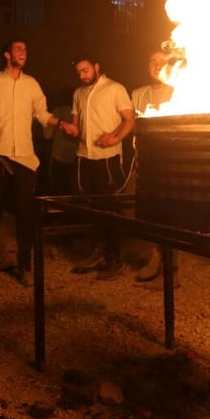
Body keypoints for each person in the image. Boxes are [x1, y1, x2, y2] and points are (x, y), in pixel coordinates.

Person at [0, 40, 68, 285]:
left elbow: (42, 113)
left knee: (26, 213)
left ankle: (24, 265)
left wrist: (61, 123)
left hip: (24, 157)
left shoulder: (32, 84)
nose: (23, 53)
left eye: (25, 49)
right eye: (18, 49)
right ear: (6, 55)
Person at [63, 54, 136, 280]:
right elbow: (76, 125)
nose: (82, 75)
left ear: (96, 67)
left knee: (111, 207)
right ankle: (97, 252)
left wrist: (115, 139)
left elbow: (129, 120)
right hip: (85, 156)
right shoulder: (78, 93)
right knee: (90, 206)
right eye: (79, 73)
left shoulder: (115, 88)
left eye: (85, 70)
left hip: (108, 158)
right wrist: (71, 129)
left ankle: (115, 258)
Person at [129, 49, 176, 282]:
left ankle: (171, 272)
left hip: (173, 163)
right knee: (150, 213)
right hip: (146, 160)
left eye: (162, 62)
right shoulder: (138, 94)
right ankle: (155, 257)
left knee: (170, 214)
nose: (157, 66)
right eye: (152, 62)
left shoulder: (180, 91)